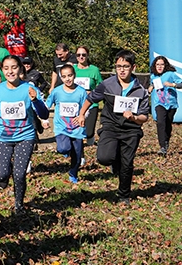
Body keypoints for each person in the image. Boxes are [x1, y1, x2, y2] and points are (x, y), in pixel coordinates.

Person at [0, 55, 49, 214]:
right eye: (6, 68)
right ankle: (5, 172)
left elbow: (44, 114)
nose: (10, 71)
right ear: (2, 71)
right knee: (0, 175)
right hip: (3, 138)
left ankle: (19, 205)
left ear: (20, 69)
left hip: (25, 137)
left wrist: (35, 100)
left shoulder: (29, 89)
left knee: (19, 174)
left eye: (14, 67)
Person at [78, 50, 150, 201]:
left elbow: (144, 117)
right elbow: (91, 99)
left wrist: (134, 117)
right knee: (104, 158)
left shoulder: (141, 90)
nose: (122, 70)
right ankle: (115, 159)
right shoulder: (107, 84)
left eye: (125, 66)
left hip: (131, 129)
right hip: (110, 125)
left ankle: (124, 195)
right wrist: (81, 114)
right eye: (118, 66)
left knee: (127, 163)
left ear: (133, 67)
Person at [46, 64, 89, 183]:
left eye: (70, 75)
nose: (67, 79)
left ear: (74, 75)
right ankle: (66, 151)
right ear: (61, 77)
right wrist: (44, 119)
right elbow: (47, 105)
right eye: (64, 77)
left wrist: (81, 116)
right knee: (63, 148)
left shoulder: (81, 92)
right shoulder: (56, 91)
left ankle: (73, 173)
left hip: (77, 128)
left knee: (77, 156)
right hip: (62, 127)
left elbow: (86, 108)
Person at [149, 56, 182, 155]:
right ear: (154, 66)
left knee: (168, 124)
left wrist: (172, 85)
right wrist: (151, 87)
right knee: (160, 122)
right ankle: (162, 147)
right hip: (159, 103)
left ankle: (166, 141)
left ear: (165, 65)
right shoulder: (153, 76)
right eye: (157, 64)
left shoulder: (171, 74)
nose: (159, 66)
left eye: (162, 64)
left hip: (171, 104)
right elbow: (153, 84)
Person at [72, 47, 104, 146]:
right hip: (75, 104)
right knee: (76, 129)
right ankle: (78, 148)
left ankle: (90, 138)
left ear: (87, 55)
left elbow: (101, 86)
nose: (81, 57)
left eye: (83, 55)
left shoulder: (94, 70)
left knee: (89, 132)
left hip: (91, 104)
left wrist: (92, 92)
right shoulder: (72, 69)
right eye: (78, 55)